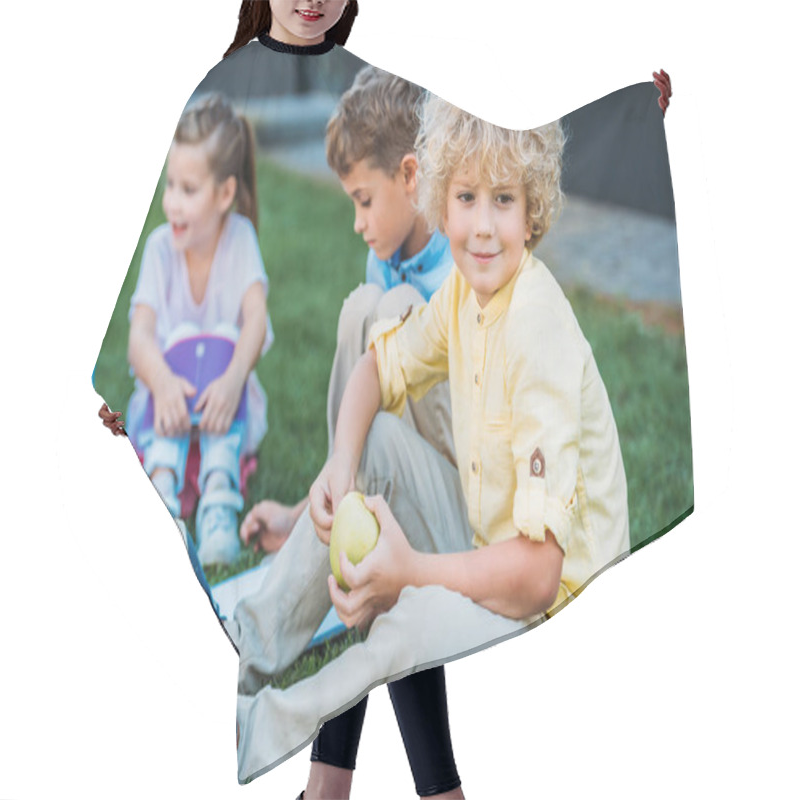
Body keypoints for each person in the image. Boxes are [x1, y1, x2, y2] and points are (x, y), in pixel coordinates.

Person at [234, 91, 630, 783]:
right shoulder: (464, 295)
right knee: (375, 442)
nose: (481, 227)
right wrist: (340, 471)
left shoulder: (535, 328)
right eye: (467, 197)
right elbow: (375, 368)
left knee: (405, 622)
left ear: (532, 212)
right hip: (486, 543)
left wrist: (411, 571)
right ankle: (248, 645)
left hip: (554, 598)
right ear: (441, 202)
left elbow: (538, 576)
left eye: (503, 200)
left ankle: (268, 730)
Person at [126, 92, 273, 568]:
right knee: (177, 337)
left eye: (188, 190)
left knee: (221, 341)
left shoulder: (240, 240)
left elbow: (256, 319)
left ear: (224, 194)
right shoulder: (159, 249)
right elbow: (139, 338)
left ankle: (216, 496)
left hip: (220, 414)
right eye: (170, 185)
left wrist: (232, 381)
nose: (173, 203)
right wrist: (163, 381)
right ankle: (163, 489)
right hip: (167, 412)